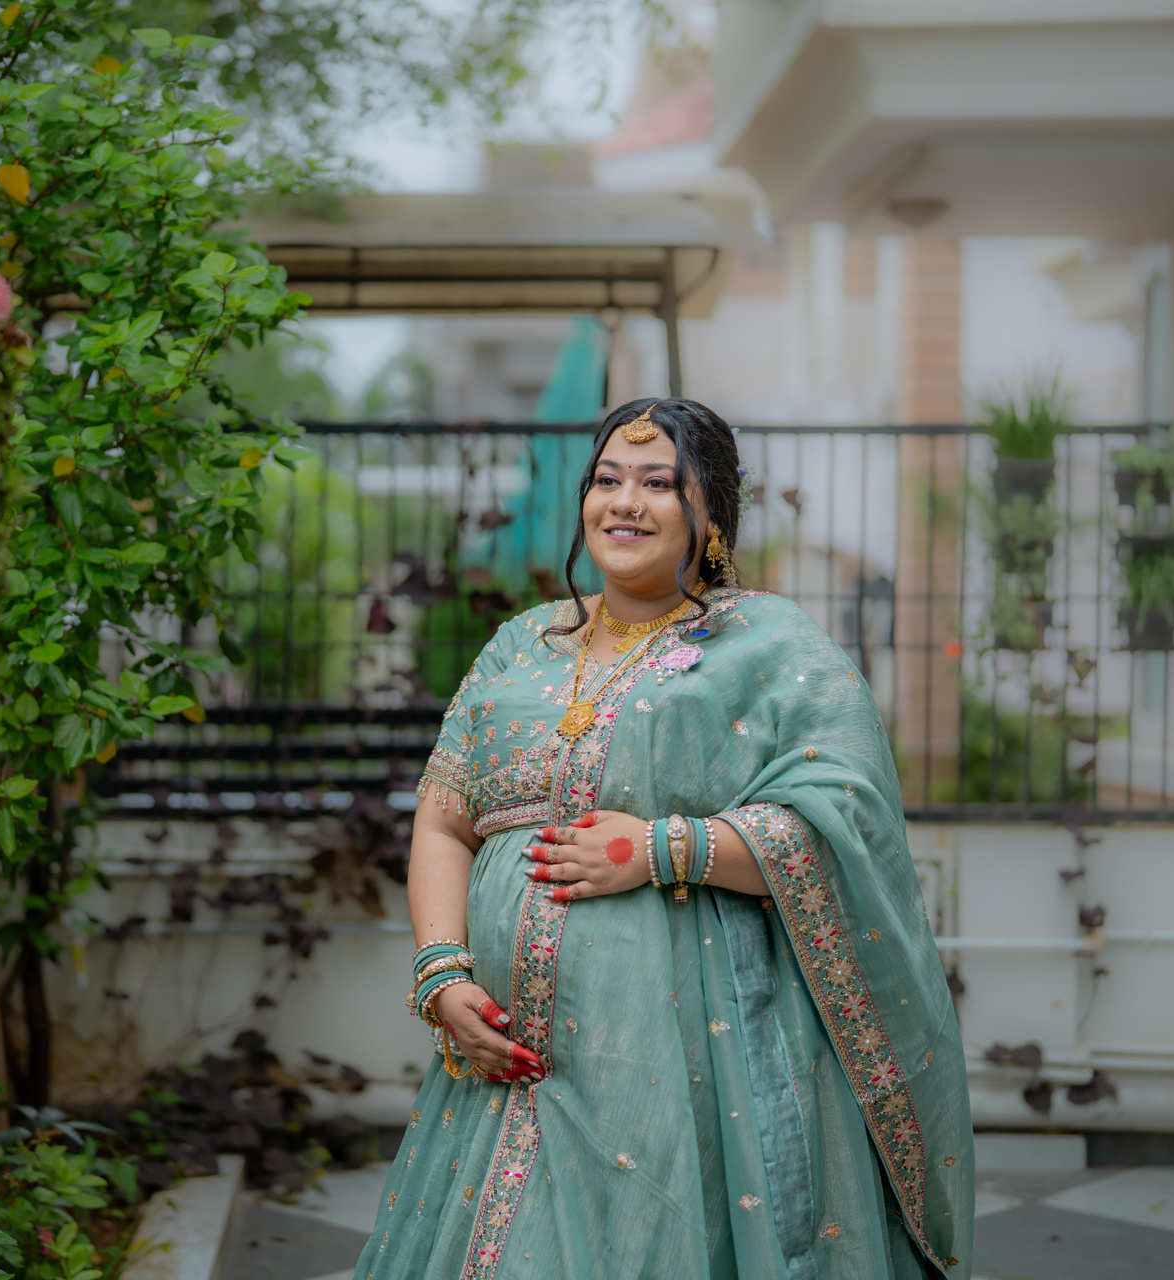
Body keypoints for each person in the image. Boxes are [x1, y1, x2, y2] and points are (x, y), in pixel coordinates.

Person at [356, 398, 973, 1280]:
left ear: (710, 515)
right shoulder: (519, 645)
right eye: (607, 480)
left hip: (683, 1062)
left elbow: (843, 822)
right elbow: (445, 816)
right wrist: (442, 974)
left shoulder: (767, 645)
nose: (625, 502)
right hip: (501, 1067)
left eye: (657, 483)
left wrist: (663, 848)